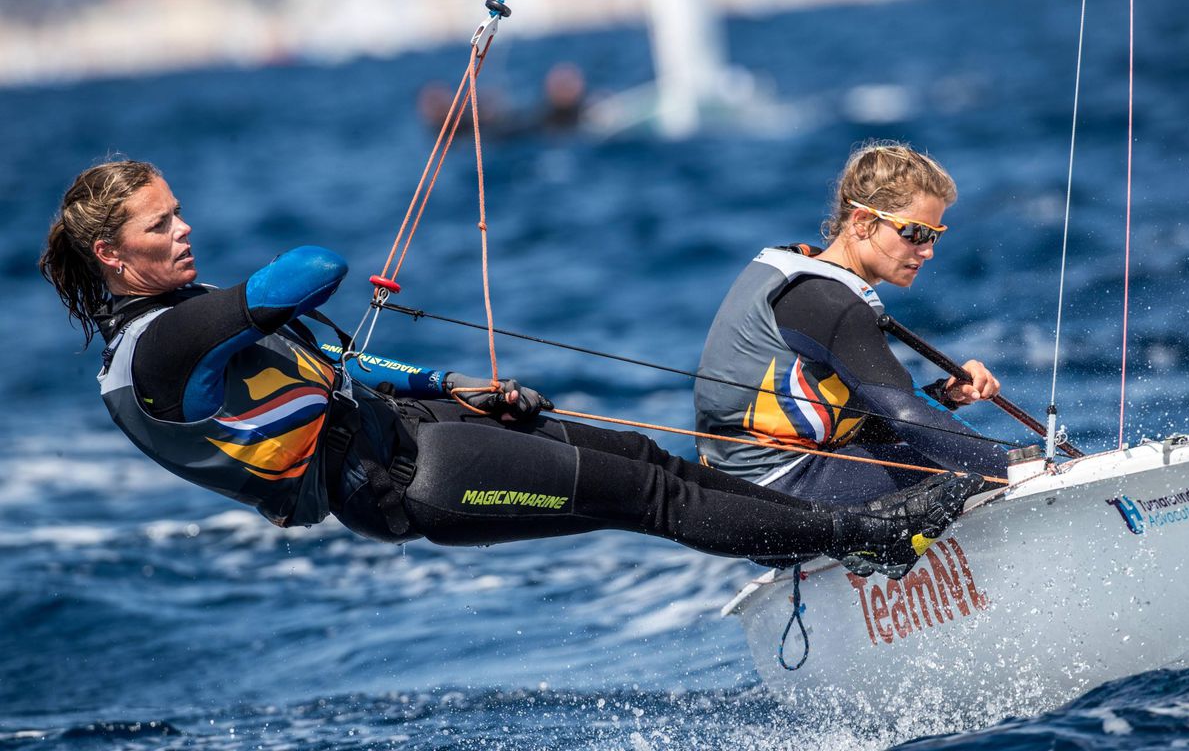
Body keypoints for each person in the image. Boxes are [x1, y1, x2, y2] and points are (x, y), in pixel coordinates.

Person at [41, 160, 986, 579]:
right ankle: (868, 538)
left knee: (648, 461)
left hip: (423, 433)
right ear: (114, 259)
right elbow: (309, 273)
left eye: (178, 210)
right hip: (411, 483)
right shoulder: (156, 351)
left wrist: (444, 387)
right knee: (648, 497)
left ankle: (843, 531)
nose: (184, 229)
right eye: (160, 224)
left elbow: (339, 361)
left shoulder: (183, 326)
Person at [695, 142, 1009, 507]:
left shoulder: (805, 276)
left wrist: (943, 395)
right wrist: (1019, 471)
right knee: (959, 474)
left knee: (942, 459)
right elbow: (908, 418)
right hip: (776, 489)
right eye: (915, 233)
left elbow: (864, 421)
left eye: (934, 235)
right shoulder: (826, 300)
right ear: (862, 222)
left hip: (756, 490)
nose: (928, 251)